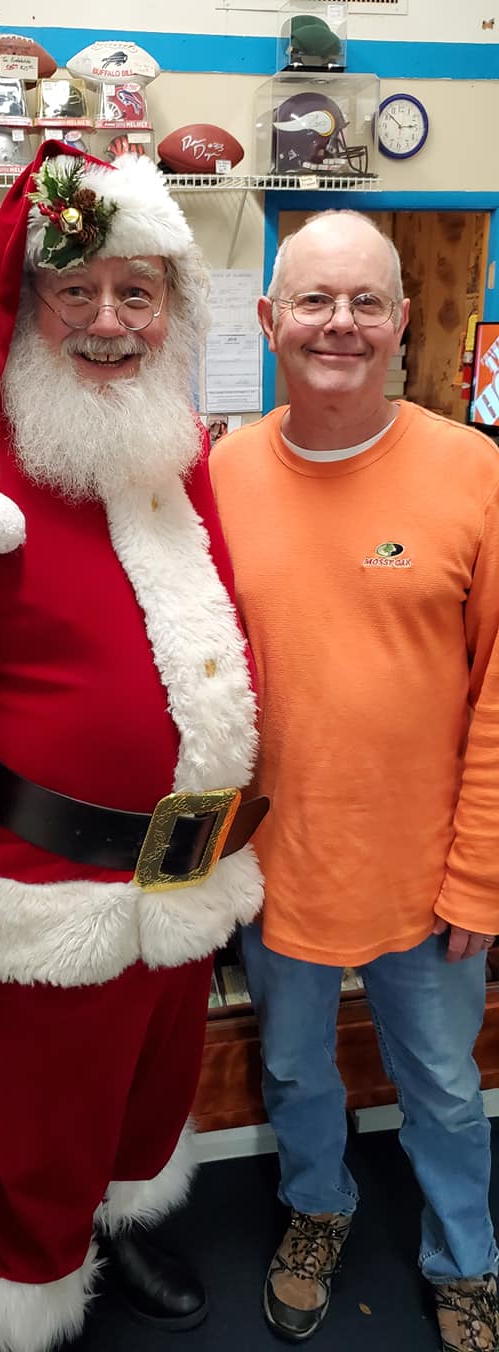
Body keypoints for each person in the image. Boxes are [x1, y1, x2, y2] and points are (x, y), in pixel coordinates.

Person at [0, 143, 265, 1352]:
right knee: (33, 1122)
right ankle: (24, 1282)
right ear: (24, 300)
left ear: (171, 308)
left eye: (137, 292)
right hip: (35, 884)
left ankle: (118, 1217)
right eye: (75, 289)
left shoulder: (174, 451)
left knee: (144, 1093)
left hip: (178, 875)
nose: (108, 321)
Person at [210, 210, 499, 1352]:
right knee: (293, 1072)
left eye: (365, 301)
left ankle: (466, 1256)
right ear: (269, 318)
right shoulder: (222, 475)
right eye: (315, 300)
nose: (340, 323)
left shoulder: (474, 472)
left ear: (402, 320)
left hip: (426, 878)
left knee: (444, 1089)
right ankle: (317, 1207)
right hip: (275, 867)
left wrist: (482, 873)